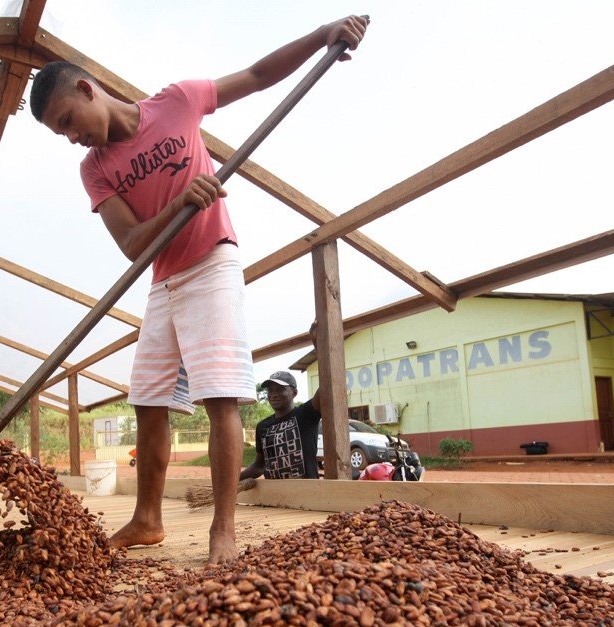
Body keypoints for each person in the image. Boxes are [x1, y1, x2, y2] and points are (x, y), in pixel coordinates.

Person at [28, 16, 366, 565]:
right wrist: (182, 201)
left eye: (69, 120)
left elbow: (257, 75)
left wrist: (322, 35)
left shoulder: (177, 103)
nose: (72, 136)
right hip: (164, 279)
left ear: (88, 89)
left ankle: (223, 531)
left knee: (220, 397)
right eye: (60, 133)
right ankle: (147, 520)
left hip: (211, 263)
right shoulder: (95, 170)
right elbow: (133, 244)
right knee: (148, 400)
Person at [240, 371, 323, 481]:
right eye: (270, 390)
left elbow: (326, 389)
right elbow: (259, 466)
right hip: (275, 494)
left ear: (294, 392)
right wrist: (233, 480)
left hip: (306, 493)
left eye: (280, 389)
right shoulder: (262, 426)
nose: (274, 394)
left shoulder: (305, 414)